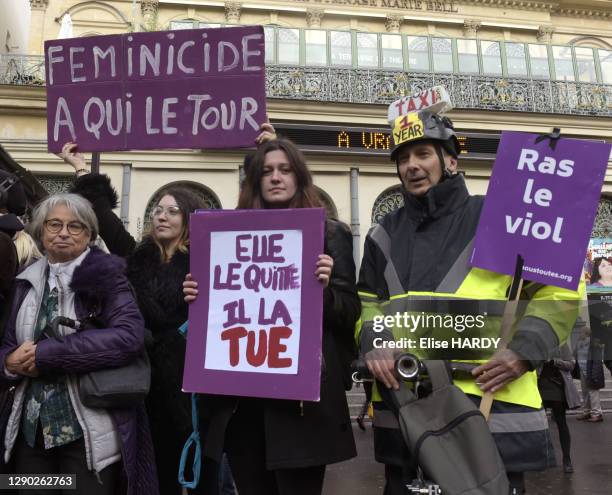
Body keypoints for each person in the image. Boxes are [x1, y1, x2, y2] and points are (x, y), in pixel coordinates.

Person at [356, 105, 584, 495]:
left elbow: (560, 291)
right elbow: (368, 305)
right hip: (406, 411)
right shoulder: (382, 234)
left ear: (451, 161)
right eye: (403, 158)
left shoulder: (501, 215)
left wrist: (523, 351)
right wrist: (376, 343)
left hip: (491, 412)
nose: (411, 166)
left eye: (423, 154)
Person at [60, 124, 275, 495]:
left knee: (205, 470)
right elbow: (105, 219)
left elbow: (255, 226)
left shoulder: (211, 261)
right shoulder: (136, 257)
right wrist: (80, 167)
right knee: (154, 471)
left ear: (187, 219)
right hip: (147, 383)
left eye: (172, 211)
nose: (161, 216)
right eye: (158, 209)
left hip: (198, 387)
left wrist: (264, 155)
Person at [183, 138, 360, 495]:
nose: (276, 178)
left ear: (299, 177)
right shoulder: (228, 236)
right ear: (254, 181)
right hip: (242, 408)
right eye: (266, 171)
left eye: (285, 170)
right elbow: (217, 316)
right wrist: (197, 298)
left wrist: (322, 290)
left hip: (301, 407)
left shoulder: (330, 233)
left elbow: (349, 312)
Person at [0, 193, 157, 495]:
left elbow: (129, 335)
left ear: (89, 235)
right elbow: (8, 342)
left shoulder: (107, 277)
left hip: (87, 432)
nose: (63, 233)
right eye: (54, 224)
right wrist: (8, 363)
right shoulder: (24, 280)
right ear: (41, 231)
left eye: (75, 226)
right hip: (30, 432)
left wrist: (49, 354)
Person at [537, 344, 580, 473]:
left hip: (556, 386)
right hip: (539, 386)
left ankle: (567, 459)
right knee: (538, 424)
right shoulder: (535, 343)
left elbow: (571, 364)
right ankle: (540, 459)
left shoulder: (562, 343)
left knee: (561, 423)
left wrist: (554, 361)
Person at [575, 326, 604, 422]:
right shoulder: (579, 344)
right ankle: (587, 412)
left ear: (586, 334)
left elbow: (597, 361)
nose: (579, 334)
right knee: (585, 393)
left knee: (593, 393)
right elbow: (575, 355)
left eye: (581, 332)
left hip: (591, 371)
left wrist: (595, 374)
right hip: (583, 371)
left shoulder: (594, 344)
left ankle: (597, 414)